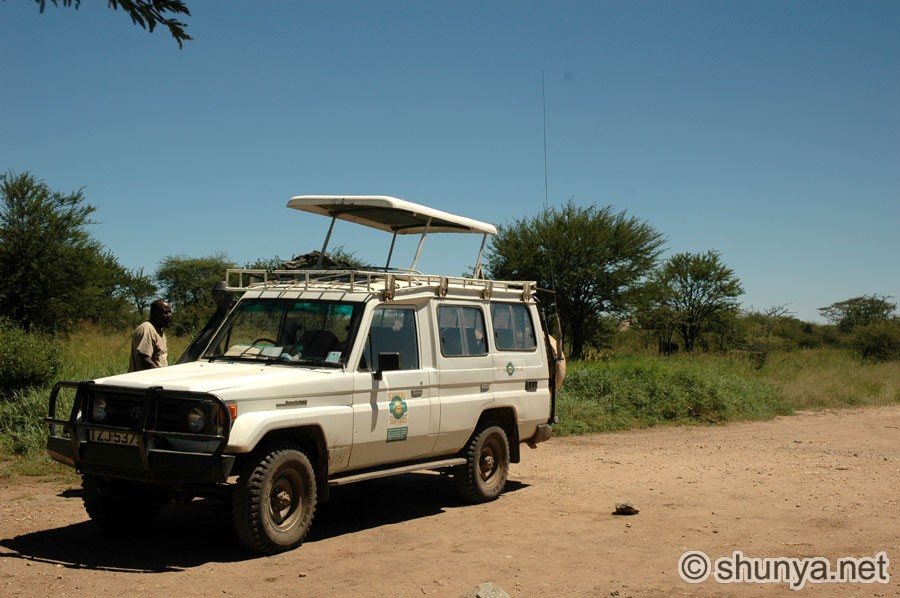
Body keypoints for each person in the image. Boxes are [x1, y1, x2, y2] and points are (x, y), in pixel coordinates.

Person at [129, 299, 173, 372]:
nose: (169, 315)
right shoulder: (146, 329)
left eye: (170, 312)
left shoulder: (159, 331)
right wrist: (159, 374)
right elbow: (144, 358)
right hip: (146, 380)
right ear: (154, 314)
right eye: (165, 312)